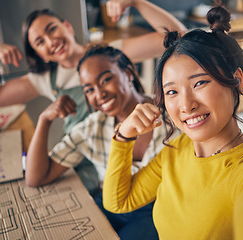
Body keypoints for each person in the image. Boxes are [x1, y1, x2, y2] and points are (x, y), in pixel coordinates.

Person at [102, 6, 243, 240]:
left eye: (199, 83)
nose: (185, 105)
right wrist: (124, 135)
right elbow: (118, 201)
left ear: (236, 80)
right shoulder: (178, 148)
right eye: (172, 91)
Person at [24, 44, 180, 240]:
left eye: (106, 80)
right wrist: (44, 120)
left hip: (157, 211)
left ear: (129, 73)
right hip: (109, 205)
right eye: (89, 90)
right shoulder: (93, 127)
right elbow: (36, 178)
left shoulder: (172, 118)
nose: (99, 94)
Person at [0, 0, 187, 133]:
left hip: (134, 147)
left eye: (52, 29)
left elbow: (180, 38)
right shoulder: (44, 80)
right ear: (39, 54)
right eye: (40, 42)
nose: (50, 41)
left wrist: (137, 2)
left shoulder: (111, 53)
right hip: (86, 161)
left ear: (67, 26)